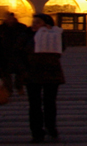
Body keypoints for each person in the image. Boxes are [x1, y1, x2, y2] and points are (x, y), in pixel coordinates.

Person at [20, 14, 66, 143]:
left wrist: (49, 34)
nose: (34, 25)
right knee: (34, 104)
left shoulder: (55, 34)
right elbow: (19, 52)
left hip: (51, 72)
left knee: (49, 102)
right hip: (32, 72)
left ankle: (51, 127)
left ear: (47, 24)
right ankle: (36, 132)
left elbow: (61, 49)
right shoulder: (26, 35)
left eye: (38, 22)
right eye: (33, 22)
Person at [0, 14, 30, 95]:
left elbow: (26, 38)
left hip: (19, 53)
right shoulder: (0, 28)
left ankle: (19, 87)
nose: (10, 20)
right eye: (8, 18)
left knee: (20, 72)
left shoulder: (22, 27)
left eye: (11, 18)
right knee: (6, 73)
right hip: (5, 53)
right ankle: (8, 89)